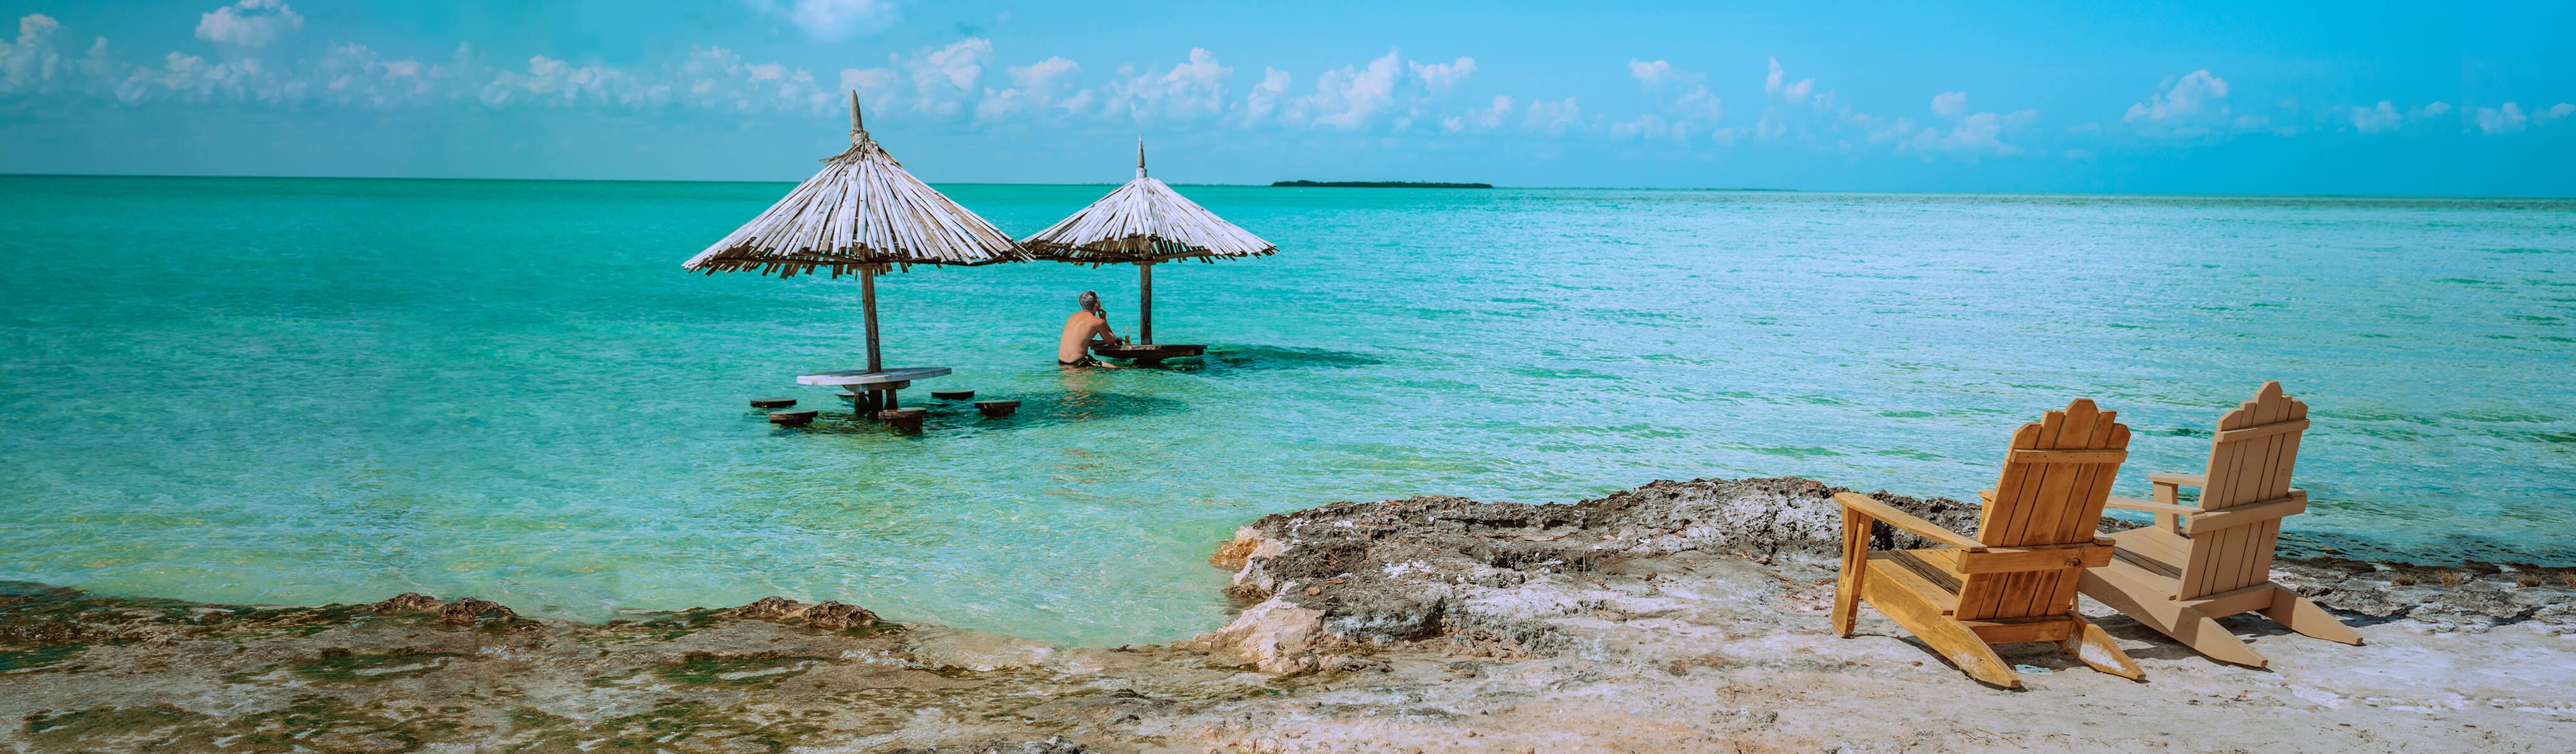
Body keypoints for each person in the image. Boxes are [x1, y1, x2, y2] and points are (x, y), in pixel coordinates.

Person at [1058, 290, 1126, 367]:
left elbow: (1084, 342)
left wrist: (1103, 342)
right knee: (1118, 369)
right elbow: (1112, 340)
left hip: (1062, 363)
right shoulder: (1098, 322)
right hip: (1080, 362)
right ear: (1096, 304)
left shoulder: (1073, 317)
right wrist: (1104, 320)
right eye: (1098, 299)